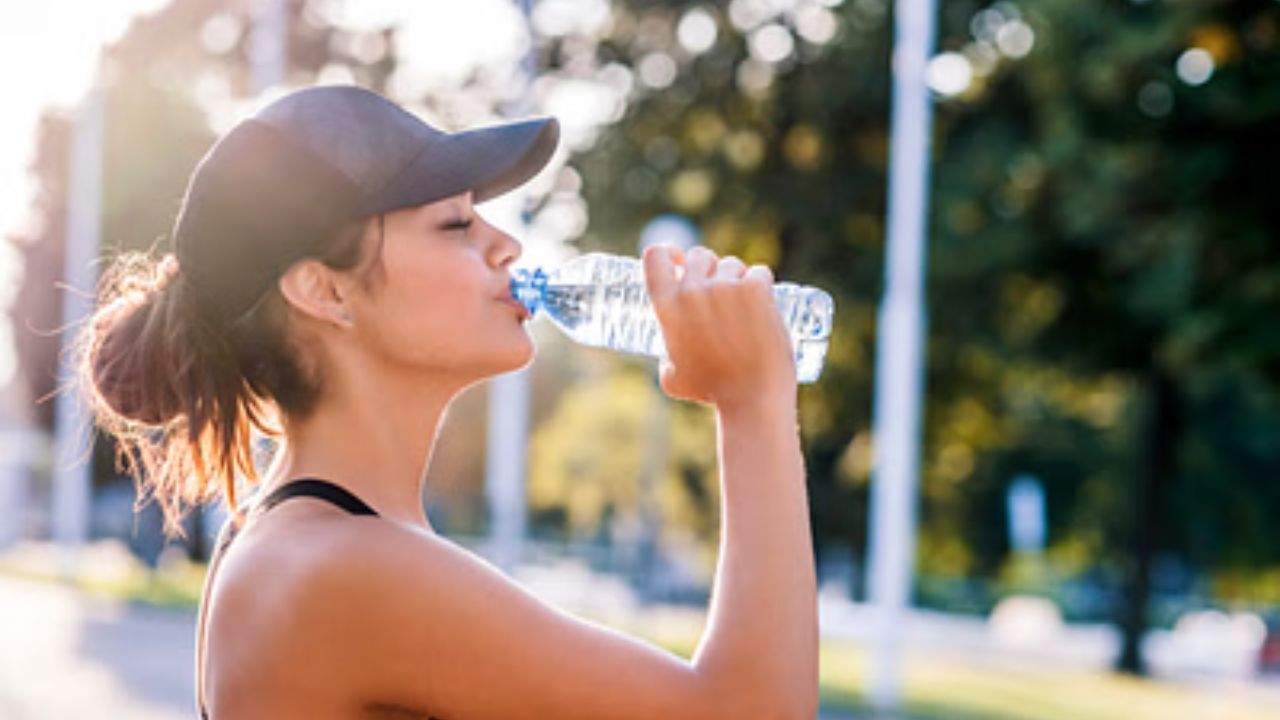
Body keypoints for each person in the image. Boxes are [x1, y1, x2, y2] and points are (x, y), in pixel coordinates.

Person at [77, 85, 817, 719]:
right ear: (324, 290)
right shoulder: (341, 568)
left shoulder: (317, 542)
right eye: (457, 224)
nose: (507, 248)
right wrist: (752, 406)